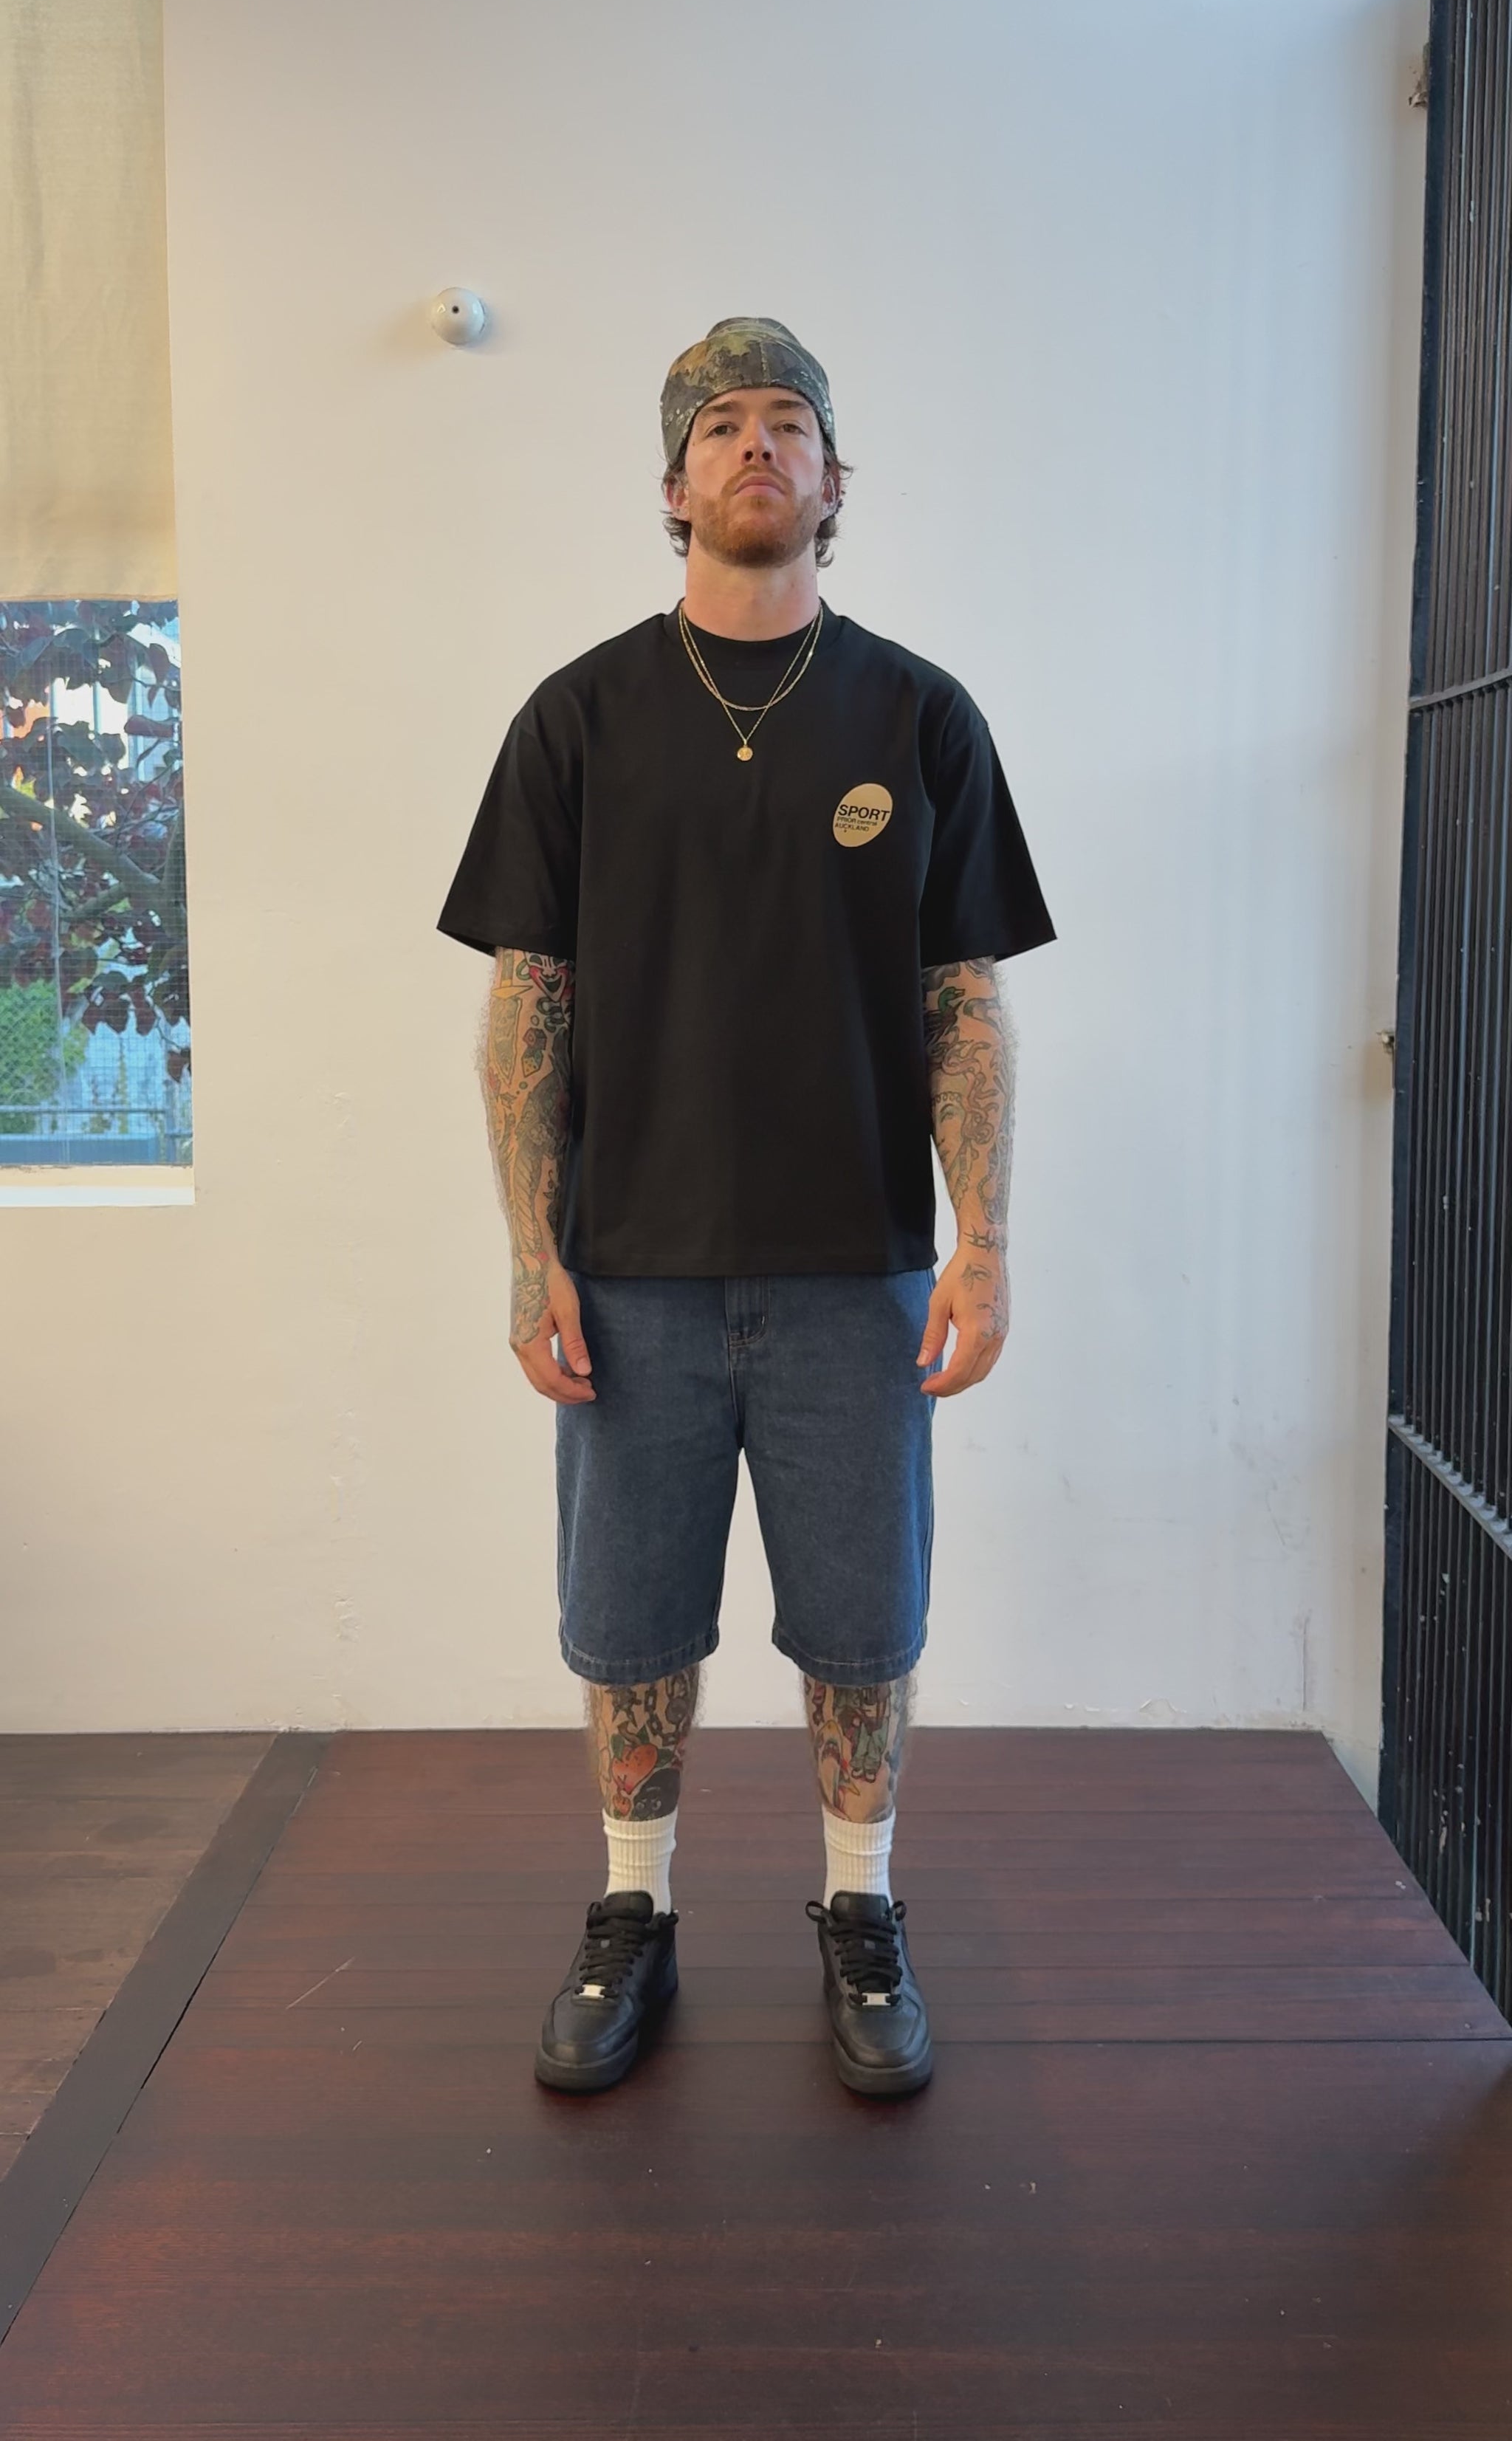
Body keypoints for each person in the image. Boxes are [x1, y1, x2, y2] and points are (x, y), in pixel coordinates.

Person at [437, 315, 1055, 2098]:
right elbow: (527, 997)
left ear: (835, 479)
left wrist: (984, 1244)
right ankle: (631, 1913)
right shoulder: (579, 717)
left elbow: (961, 1001)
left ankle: (861, 1908)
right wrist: (531, 1253)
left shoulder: (918, 715)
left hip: (857, 1271)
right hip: (629, 1267)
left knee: (863, 1626)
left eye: (789, 422)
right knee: (631, 1625)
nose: (757, 447)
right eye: (721, 427)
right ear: (672, 483)